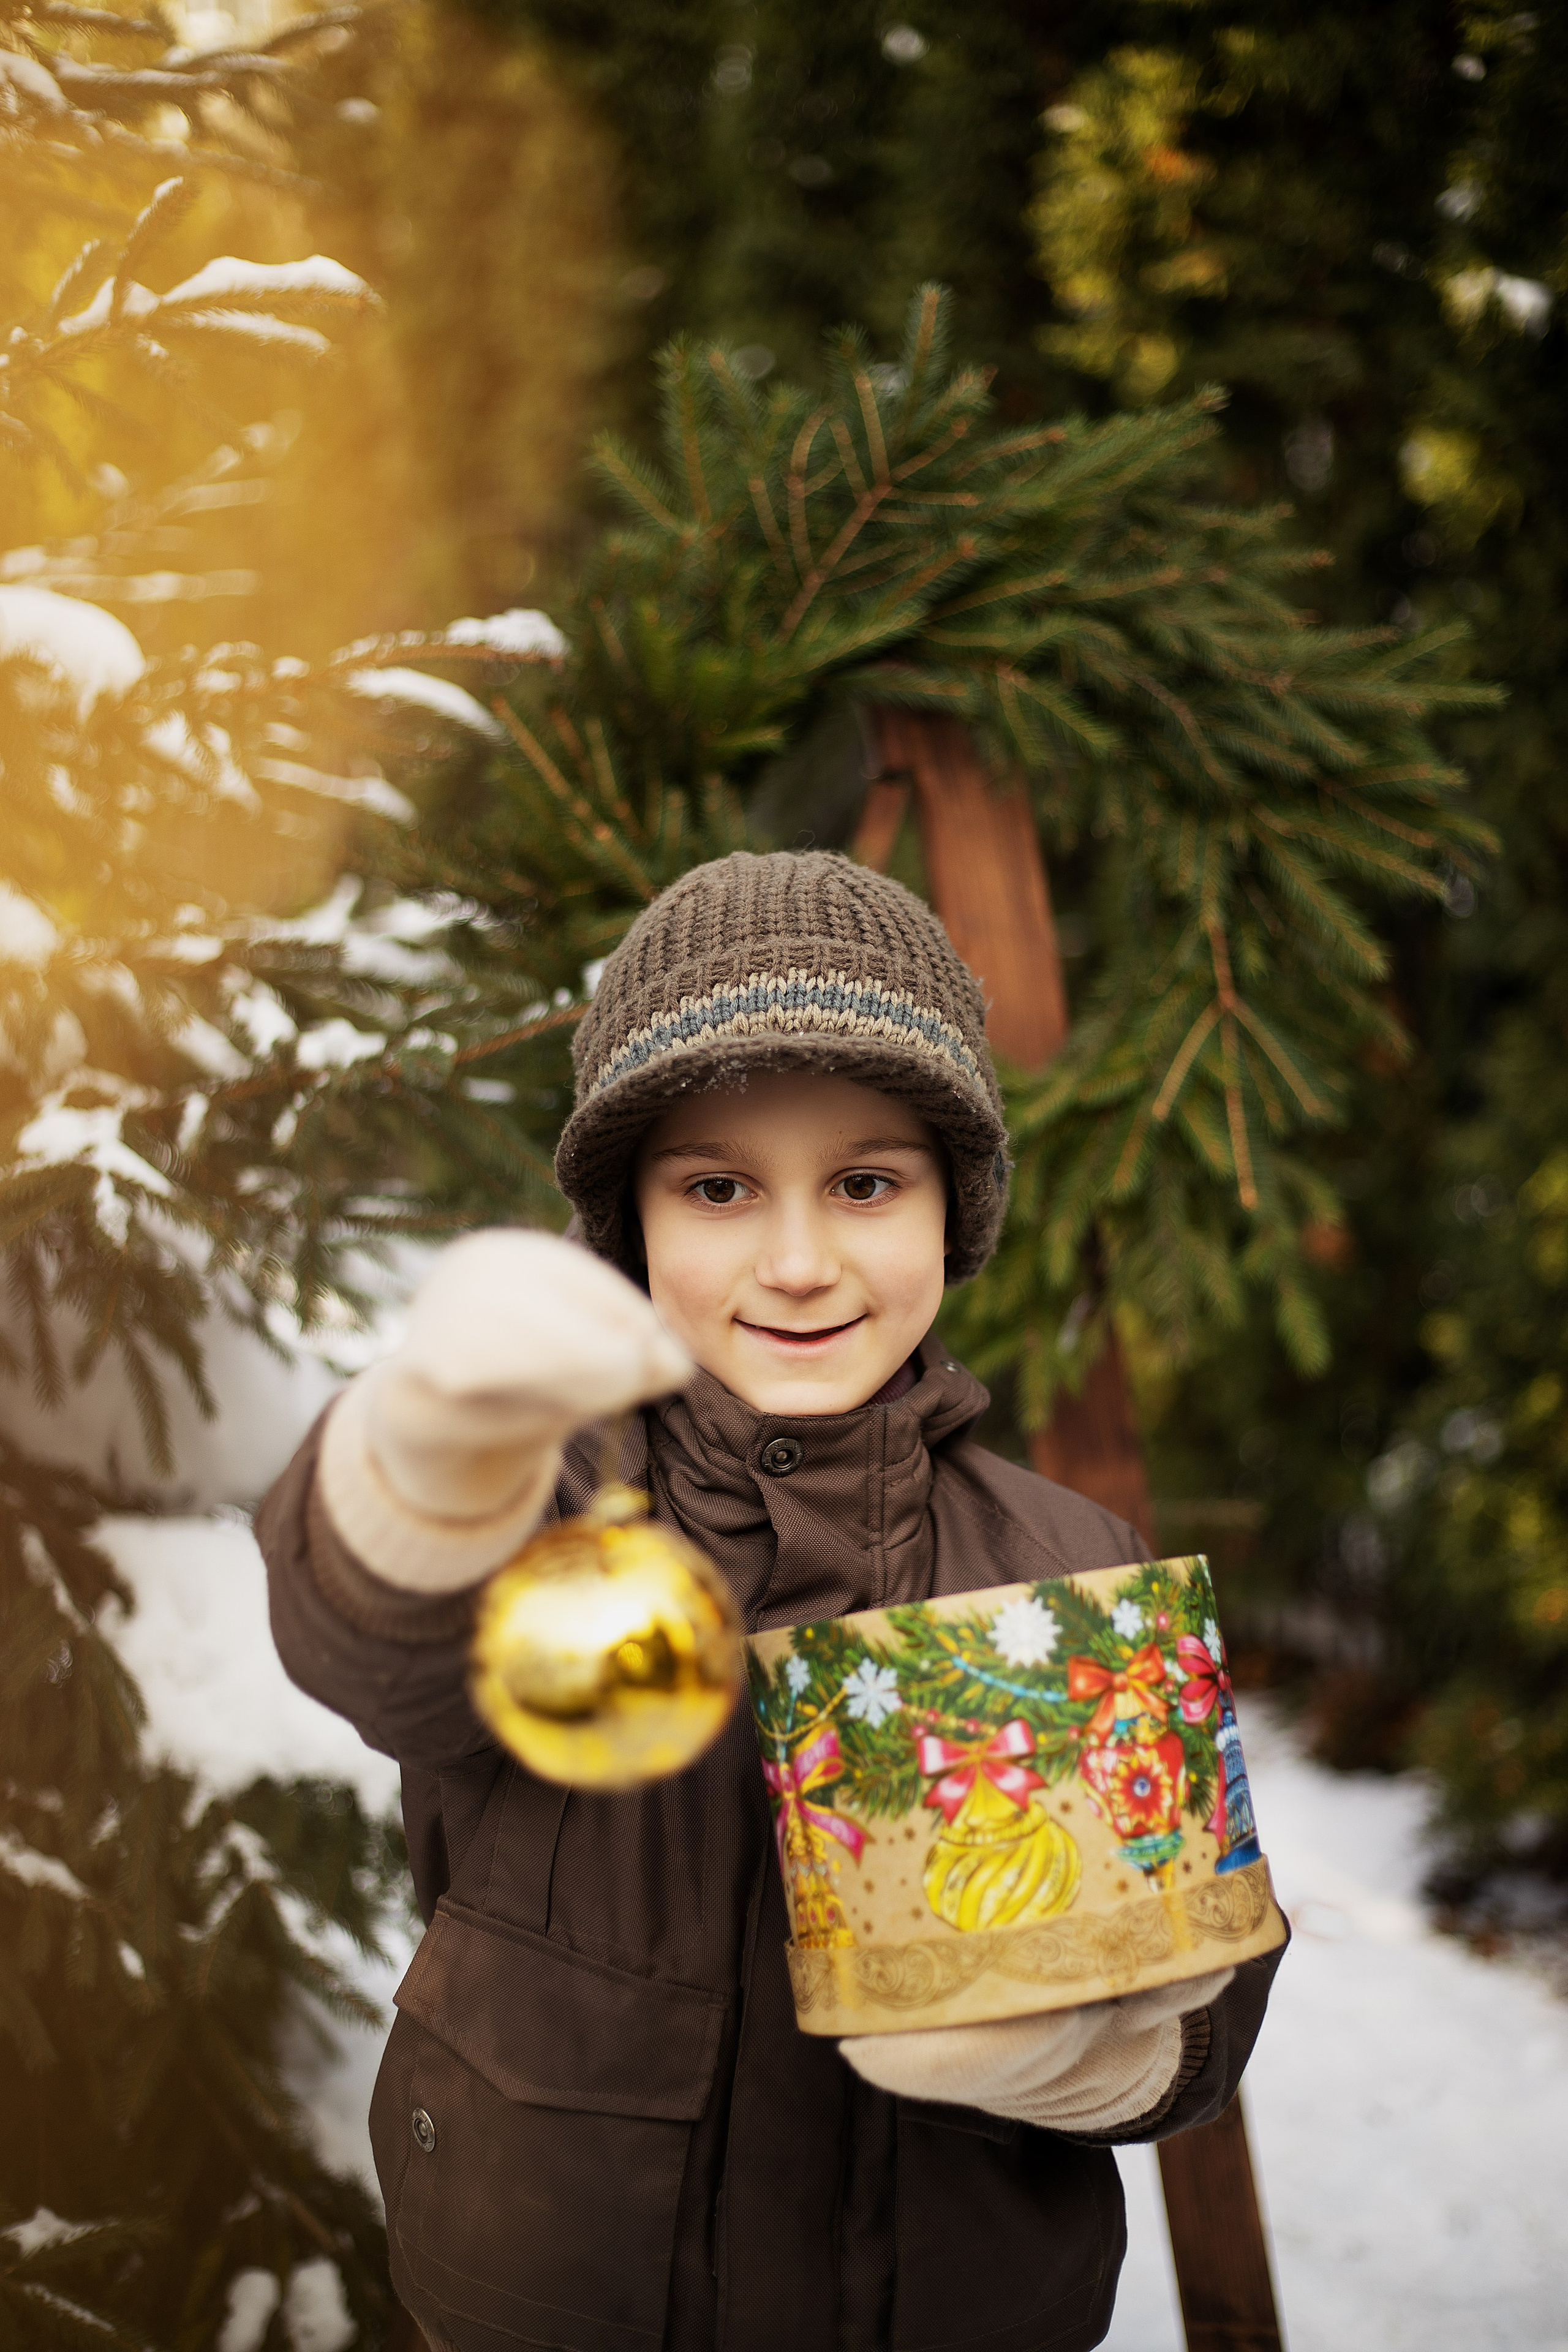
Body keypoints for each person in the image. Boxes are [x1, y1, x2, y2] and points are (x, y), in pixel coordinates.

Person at [258, 850, 1281, 2352]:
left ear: (952, 1205)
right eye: (719, 1187)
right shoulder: (543, 1515)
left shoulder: (1067, 1568)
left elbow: (1207, 1985)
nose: (797, 1263)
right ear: (630, 1220)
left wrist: (1088, 2056)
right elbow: (374, 1645)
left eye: (864, 1183)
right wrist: (420, 1465)